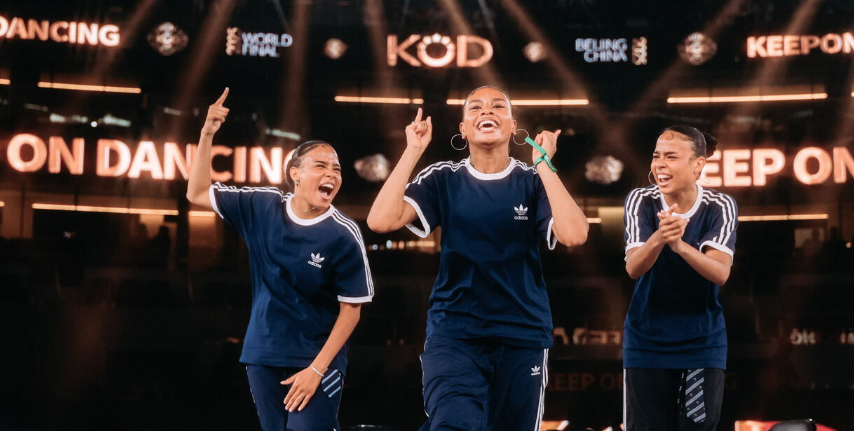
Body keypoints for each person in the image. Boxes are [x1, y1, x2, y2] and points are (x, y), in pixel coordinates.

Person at [367, 86, 589, 431]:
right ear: (463, 129)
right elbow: (380, 220)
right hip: (455, 333)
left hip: (522, 335)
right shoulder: (442, 177)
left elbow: (574, 235)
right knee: (454, 424)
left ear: (513, 127)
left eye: (498, 106)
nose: (487, 111)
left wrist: (544, 163)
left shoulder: (532, 180)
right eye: (476, 108)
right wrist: (412, 151)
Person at [186, 88, 374, 431]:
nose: (331, 174)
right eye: (320, 166)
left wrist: (316, 369)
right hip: (263, 353)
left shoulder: (343, 233)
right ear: (295, 173)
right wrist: (207, 133)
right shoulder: (262, 205)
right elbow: (197, 192)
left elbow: (352, 310)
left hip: (317, 358)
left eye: (336, 169)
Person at [622, 125, 738, 431]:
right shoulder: (640, 200)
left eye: (671, 157)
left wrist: (680, 246)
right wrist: (660, 237)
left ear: (698, 164)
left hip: (701, 343)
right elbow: (633, 267)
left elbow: (720, 272)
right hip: (646, 342)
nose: (660, 164)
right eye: (656, 156)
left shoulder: (720, 206)